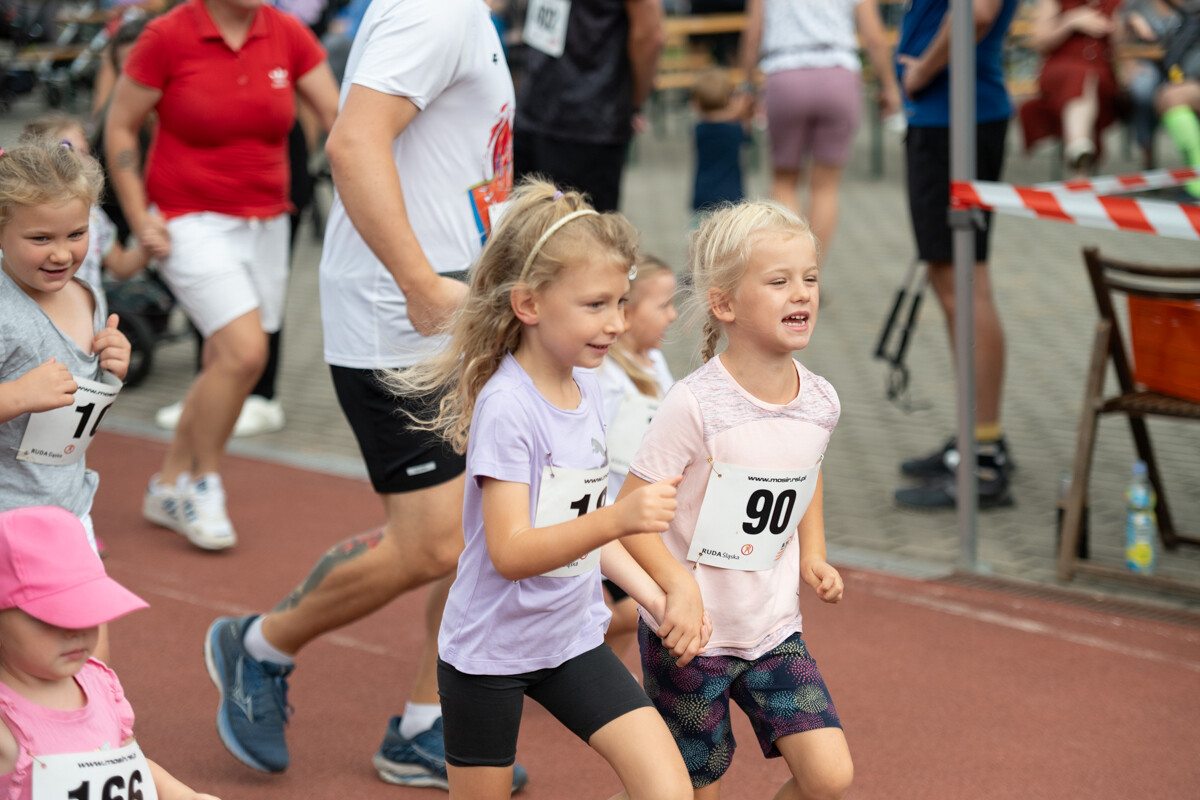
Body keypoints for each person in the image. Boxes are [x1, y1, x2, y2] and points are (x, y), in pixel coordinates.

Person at [201, 0, 523, 788]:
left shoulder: (466, 14)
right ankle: (260, 645)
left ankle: (424, 723)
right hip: (401, 319)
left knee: (482, 523)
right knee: (435, 541)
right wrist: (417, 281)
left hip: (463, 304)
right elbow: (351, 143)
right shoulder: (433, 11)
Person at [388, 178, 700, 800]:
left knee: (669, 790)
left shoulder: (589, 388)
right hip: (489, 655)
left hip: (570, 640)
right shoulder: (508, 406)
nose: (616, 323)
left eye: (621, 302)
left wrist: (654, 597)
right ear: (529, 304)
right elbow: (512, 551)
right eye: (596, 305)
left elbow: (582, 524)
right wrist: (619, 519)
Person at [620, 201, 853, 799]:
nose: (800, 293)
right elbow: (629, 515)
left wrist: (813, 554)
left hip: (773, 630)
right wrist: (678, 587)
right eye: (778, 282)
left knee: (829, 776)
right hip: (690, 637)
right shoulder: (693, 404)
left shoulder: (821, 400)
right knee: (692, 788)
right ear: (724, 304)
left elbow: (807, 471)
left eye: (809, 278)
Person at [104, 0, 339, 550]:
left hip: (268, 223)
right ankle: (201, 481)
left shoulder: (287, 33)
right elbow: (119, 127)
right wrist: (139, 216)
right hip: (188, 219)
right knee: (245, 354)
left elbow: (339, 117)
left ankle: (166, 485)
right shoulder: (167, 35)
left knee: (223, 363)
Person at [893, 0, 1021, 510]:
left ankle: (983, 456)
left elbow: (979, 12)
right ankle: (977, 438)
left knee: (963, 286)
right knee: (957, 284)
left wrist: (921, 70)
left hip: (954, 114)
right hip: (951, 112)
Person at [0, 506, 219, 800]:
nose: (74, 629)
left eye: (85, 608)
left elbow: (128, 765)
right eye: (49, 616)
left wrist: (182, 795)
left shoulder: (100, 683)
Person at [0, 138, 131, 557]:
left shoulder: (87, 295)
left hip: (71, 506)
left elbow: (81, 410)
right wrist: (17, 395)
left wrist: (113, 369)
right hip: (10, 521)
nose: (61, 254)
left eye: (76, 234)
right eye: (40, 238)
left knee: (91, 604)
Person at [737, 0, 901, 261]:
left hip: (785, 72)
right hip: (839, 74)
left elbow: (753, 34)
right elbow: (874, 37)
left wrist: (746, 85)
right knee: (825, 186)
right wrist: (890, 87)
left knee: (784, 180)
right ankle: (811, 272)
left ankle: (788, 268)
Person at [594, 253, 677, 660]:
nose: (673, 315)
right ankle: (561, 649)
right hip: (609, 519)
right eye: (663, 306)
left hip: (646, 520)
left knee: (639, 609)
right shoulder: (605, 377)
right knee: (632, 610)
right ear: (626, 312)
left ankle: (600, 664)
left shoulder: (656, 362)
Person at [513, 0, 665, 212]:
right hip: (536, 111)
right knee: (524, 223)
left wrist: (633, 101)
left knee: (580, 227)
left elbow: (649, 35)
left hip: (586, 124)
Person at [19, 114, 149, 288]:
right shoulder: (22, 214)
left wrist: (148, 248)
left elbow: (120, 265)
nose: (83, 160)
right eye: (68, 152)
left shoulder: (94, 215)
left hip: (86, 305)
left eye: (85, 152)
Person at [1019, 0, 1123, 178]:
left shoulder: (1115, 4)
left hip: (1100, 76)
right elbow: (1039, 42)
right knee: (1081, 78)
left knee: (1086, 79)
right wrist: (1071, 21)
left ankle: (1078, 151)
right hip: (1060, 73)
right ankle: (1079, 156)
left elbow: (1120, 47)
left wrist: (1121, 26)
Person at [689, 69, 747, 219]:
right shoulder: (736, 129)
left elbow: (713, 119)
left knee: (702, 231)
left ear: (697, 103)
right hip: (732, 196)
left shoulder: (699, 130)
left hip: (703, 196)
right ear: (728, 99)